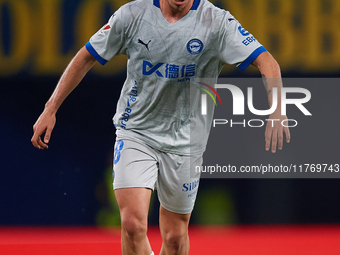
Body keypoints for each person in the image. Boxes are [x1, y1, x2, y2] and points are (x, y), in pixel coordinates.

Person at [31, 0, 290, 254]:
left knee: (175, 238)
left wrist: (277, 109)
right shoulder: (132, 15)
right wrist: (50, 107)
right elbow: (86, 56)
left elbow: (267, 61)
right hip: (136, 133)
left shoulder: (217, 23)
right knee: (132, 225)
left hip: (186, 142)